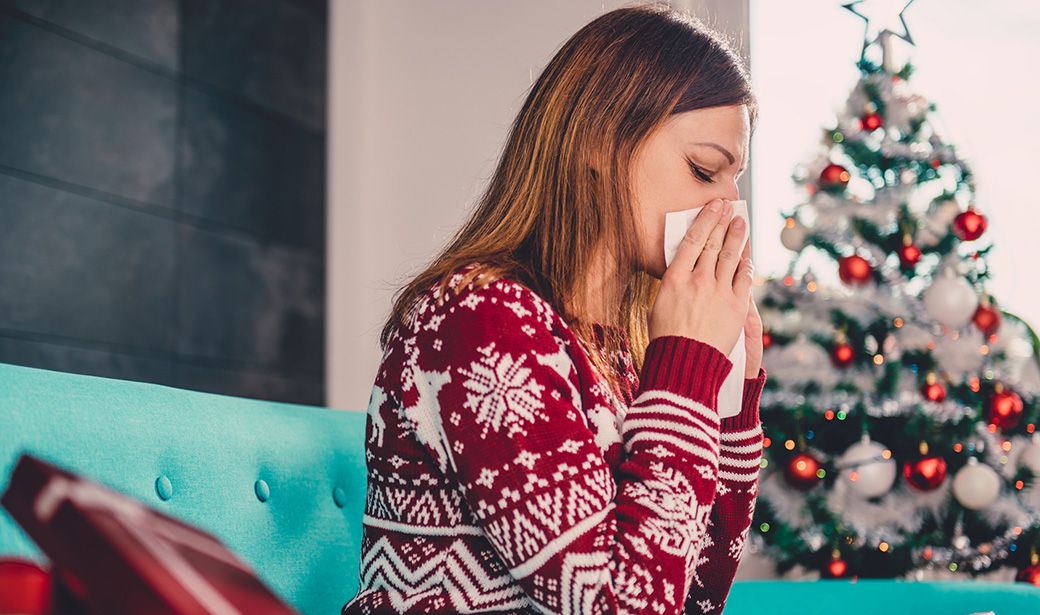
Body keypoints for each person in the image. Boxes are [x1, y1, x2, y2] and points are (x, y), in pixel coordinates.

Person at [342, 3, 765, 613]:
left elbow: (694, 596)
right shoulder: (481, 321)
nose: (727, 206)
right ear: (600, 141)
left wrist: (726, 400)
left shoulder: (621, 350)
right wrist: (683, 380)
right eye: (704, 170)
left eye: (735, 182)